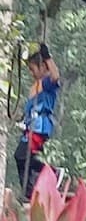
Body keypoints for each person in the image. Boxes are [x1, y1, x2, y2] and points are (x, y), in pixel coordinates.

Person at [14, 43, 60, 199]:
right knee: (23, 158)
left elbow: (55, 75)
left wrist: (47, 57)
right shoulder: (35, 86)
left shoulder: (47, 83)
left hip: (39, 127)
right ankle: (29, 190)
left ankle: (52, 172)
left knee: (21, 156)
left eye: (33, 69)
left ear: (42, 67)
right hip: (31, 127)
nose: (32, 73)